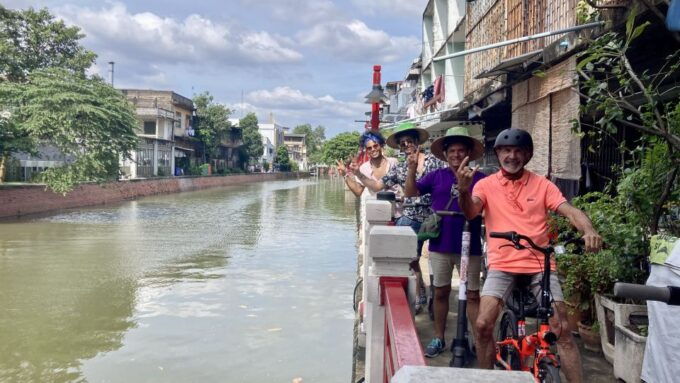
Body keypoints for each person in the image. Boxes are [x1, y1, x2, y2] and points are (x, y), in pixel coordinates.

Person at [456, 128, 603, 383]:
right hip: (502, 265)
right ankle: (486, 378)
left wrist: (589, 230)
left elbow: (569, 211)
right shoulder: (486, 184)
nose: (511, 156)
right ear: (498, 153)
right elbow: (471, 212)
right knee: (482, 325)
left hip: (540, 265)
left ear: (527, 155)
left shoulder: (542, 184)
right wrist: (463, 190)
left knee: (562, 330)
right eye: (506, 151)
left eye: (517, 151)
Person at [403, 126, 485, 358]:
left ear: (469, 153)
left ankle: (477, 340)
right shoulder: (437, 176)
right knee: (440, 292)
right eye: (452, 151)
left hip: (471, 248)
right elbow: (411, 193)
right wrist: (411, 169)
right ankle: (439, 337)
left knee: (472, 295)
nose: (457, 155)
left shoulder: (480, 178)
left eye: (461, 151)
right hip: (440, 245)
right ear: (446, 154)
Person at [357, 122, 445, 313]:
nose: (406, 146)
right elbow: (378, 186)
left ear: (416, 141)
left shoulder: (434, 162)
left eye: (409, 141)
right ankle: (420, 293)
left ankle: (436, 296)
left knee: (438, 260)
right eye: (402, 143)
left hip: (436, 216)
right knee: (409, 257)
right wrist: (356, 173)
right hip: (411, 216)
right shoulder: (400, 168)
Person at [336, 132, 398, 198]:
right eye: (369, 148)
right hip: (373, 206)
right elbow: (358, 191)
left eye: (375, 146)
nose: (373, 149)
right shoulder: (364, 168)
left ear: (381, 145)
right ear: (366, 150)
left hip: (394, 206)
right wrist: (345, 174)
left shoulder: (393, 163)